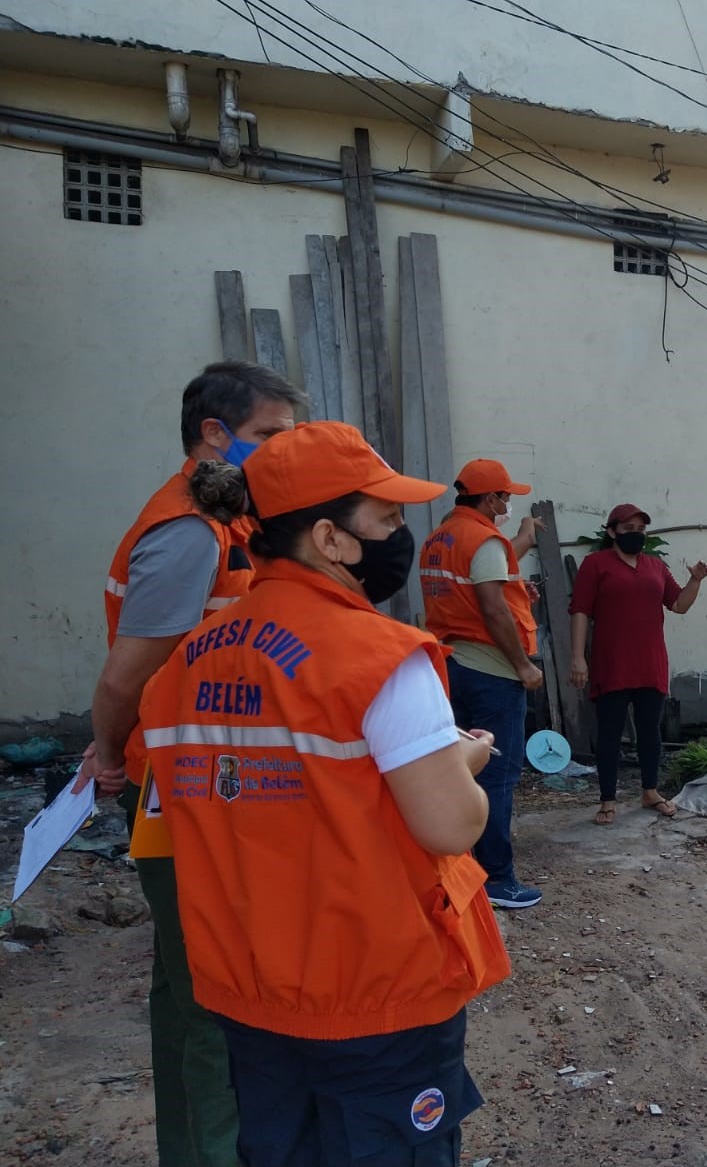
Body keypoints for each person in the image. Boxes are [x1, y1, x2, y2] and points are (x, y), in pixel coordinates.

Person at [139, 421, 511, 1166]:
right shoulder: (379, 655)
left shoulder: (183, 666)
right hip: (374, 989)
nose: (401, 534)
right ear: (330, 539)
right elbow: (447, 828)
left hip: (252, 990)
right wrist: (463, 765)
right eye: (387, 518)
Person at [79, 359, 303, 1167]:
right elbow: (126, 675)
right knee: (214, 994)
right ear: (215, 436)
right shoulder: (186, 534)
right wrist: (109, 756)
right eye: (267, 436)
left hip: (192, 777)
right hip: (180, 790)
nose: (280, 451)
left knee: (185, 992)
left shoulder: (223, 523)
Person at [420, 459, 545, 909]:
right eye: (505, 497)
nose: (508, 504)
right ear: (490, 499)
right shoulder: (485, 539)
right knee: (496, 775)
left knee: (457, 770)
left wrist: (516, 595)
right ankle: (497, 879)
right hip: (492, 671)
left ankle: (458, 868)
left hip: (450, 665)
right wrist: (524, 665)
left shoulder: (439, 537)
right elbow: (491, 610)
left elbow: (470, 597)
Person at [569, 503, 707, 825]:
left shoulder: (655, 566)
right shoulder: (595, 564)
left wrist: (696, 581)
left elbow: (678, 605)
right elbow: (580, 612)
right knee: (610, 733)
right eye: (628, 529)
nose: (635, 535)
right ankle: (607, 800)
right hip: (612, 663)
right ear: (612, 532)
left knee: (650, 731)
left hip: (650, 662)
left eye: (641, 530)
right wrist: (578, 658)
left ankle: (650, 791)